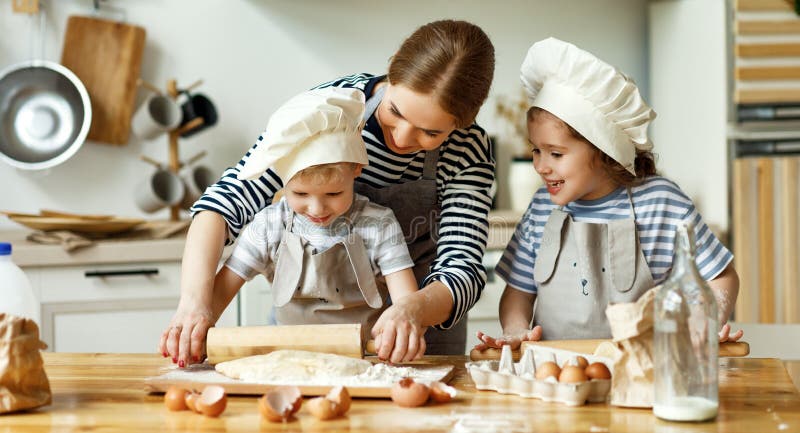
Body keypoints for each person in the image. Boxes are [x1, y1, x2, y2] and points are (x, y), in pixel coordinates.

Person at [160, 19, 496, 367]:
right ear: (393, 66)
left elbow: (463, 264)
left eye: (430, 132)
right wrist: (194, 305)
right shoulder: (328, 111)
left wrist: (410, 309)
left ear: (464, 121)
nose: (403, 137)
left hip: (415, 339)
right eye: (395, 111)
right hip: (306, 336)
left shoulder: (468, 149)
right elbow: (226, 201)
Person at [474, 37, 742, 351]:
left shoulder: (660, 203)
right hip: (556, 376)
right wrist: (516, 329)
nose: (541, 166)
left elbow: (720, 278)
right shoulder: (541, 208)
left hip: (645, 373)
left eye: (556, 154)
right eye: (536, 150)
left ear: (605, 152)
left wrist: (703, 322)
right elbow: (518, 292)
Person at [211, 87, 419, 349]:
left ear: (356, 168)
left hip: (366, 359)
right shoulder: (269, 226)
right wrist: (201, 322)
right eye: (300, 193)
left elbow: (406, 302)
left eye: (334, 193)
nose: (317, 208)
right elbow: (223, 288)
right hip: (288, 357)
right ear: (282, 179)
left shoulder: (378, 225)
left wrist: (405, 326)